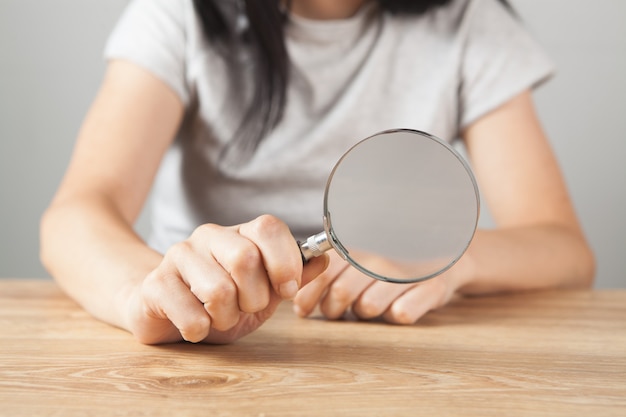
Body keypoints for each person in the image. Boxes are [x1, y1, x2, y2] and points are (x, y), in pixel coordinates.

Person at [40, 0, 595, 345]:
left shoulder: (470, 22)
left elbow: (566, 250)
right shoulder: (180, 12)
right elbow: (76, 215)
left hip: (392, 354)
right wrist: (152, 294)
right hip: (202, 339)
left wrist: (449, 265)